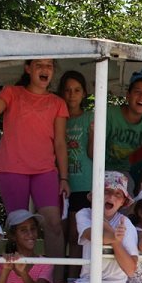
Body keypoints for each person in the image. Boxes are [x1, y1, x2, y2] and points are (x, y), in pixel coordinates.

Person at [0, 59, 68, 259]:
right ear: (28, 69)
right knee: (19, 227)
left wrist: (64, 178)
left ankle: (55, 281)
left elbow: (60, 143)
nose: (45, 69)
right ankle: (18, 280)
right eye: (39, 65)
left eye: (49, 66)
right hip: (12, 169)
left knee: (54, 225)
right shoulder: (12, 92)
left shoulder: (57, 102)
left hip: (45, 170)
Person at [101, 68, 142, 187]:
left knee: (128, 192)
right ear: (128, 96)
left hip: (121, 172)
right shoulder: (109, 114)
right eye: (137, 92)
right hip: (97, 168)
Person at [60, 69, 94, 261]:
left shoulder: (89, 117)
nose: (72, 95)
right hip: (59, 182)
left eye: (77, 90)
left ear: (84, 93)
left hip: (83, 184)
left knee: (76, 236)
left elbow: (92, 153)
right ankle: (58, 278)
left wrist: (93, 134)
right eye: (67, 90)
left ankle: (72, 279)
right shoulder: (56, 117)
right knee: (59, 234)